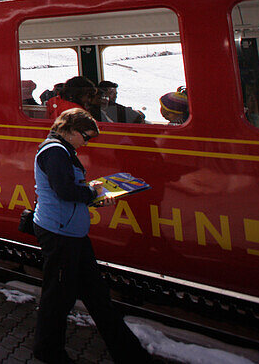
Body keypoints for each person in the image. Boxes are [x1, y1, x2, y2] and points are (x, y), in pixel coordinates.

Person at [32, 108, 152, 364]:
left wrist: (91, 189)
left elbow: (68, 186)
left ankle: (130, 354)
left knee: (98, 297)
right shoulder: (54, 151)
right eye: (85, 136)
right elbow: (64, 191)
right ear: (70, 130)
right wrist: (93, 194)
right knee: (58, 299)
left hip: (72, 233)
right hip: (60, 234)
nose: (86, 142)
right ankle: (48, 352)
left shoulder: (63, 149)